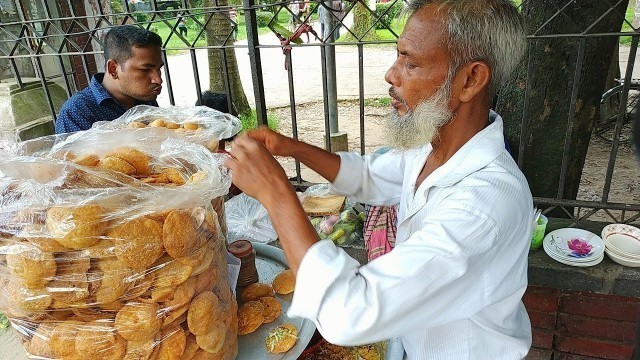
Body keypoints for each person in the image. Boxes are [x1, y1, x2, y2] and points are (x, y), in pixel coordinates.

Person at [225, 0, 532, 359]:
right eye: (397, 57)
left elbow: (348, 314)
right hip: (411, 342)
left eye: (410, 62)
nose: (391, 74)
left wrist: (276, 193)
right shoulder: (434, 146)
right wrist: (292, 148)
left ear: (471, 80)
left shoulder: (486, 206)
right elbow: (369, 177)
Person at [55, 25, 163, 134]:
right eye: (145, 70)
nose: (158, 80)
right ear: (113, 69)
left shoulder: (145, 98)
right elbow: (69, 151)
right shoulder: (77, 112)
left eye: (159, 68)